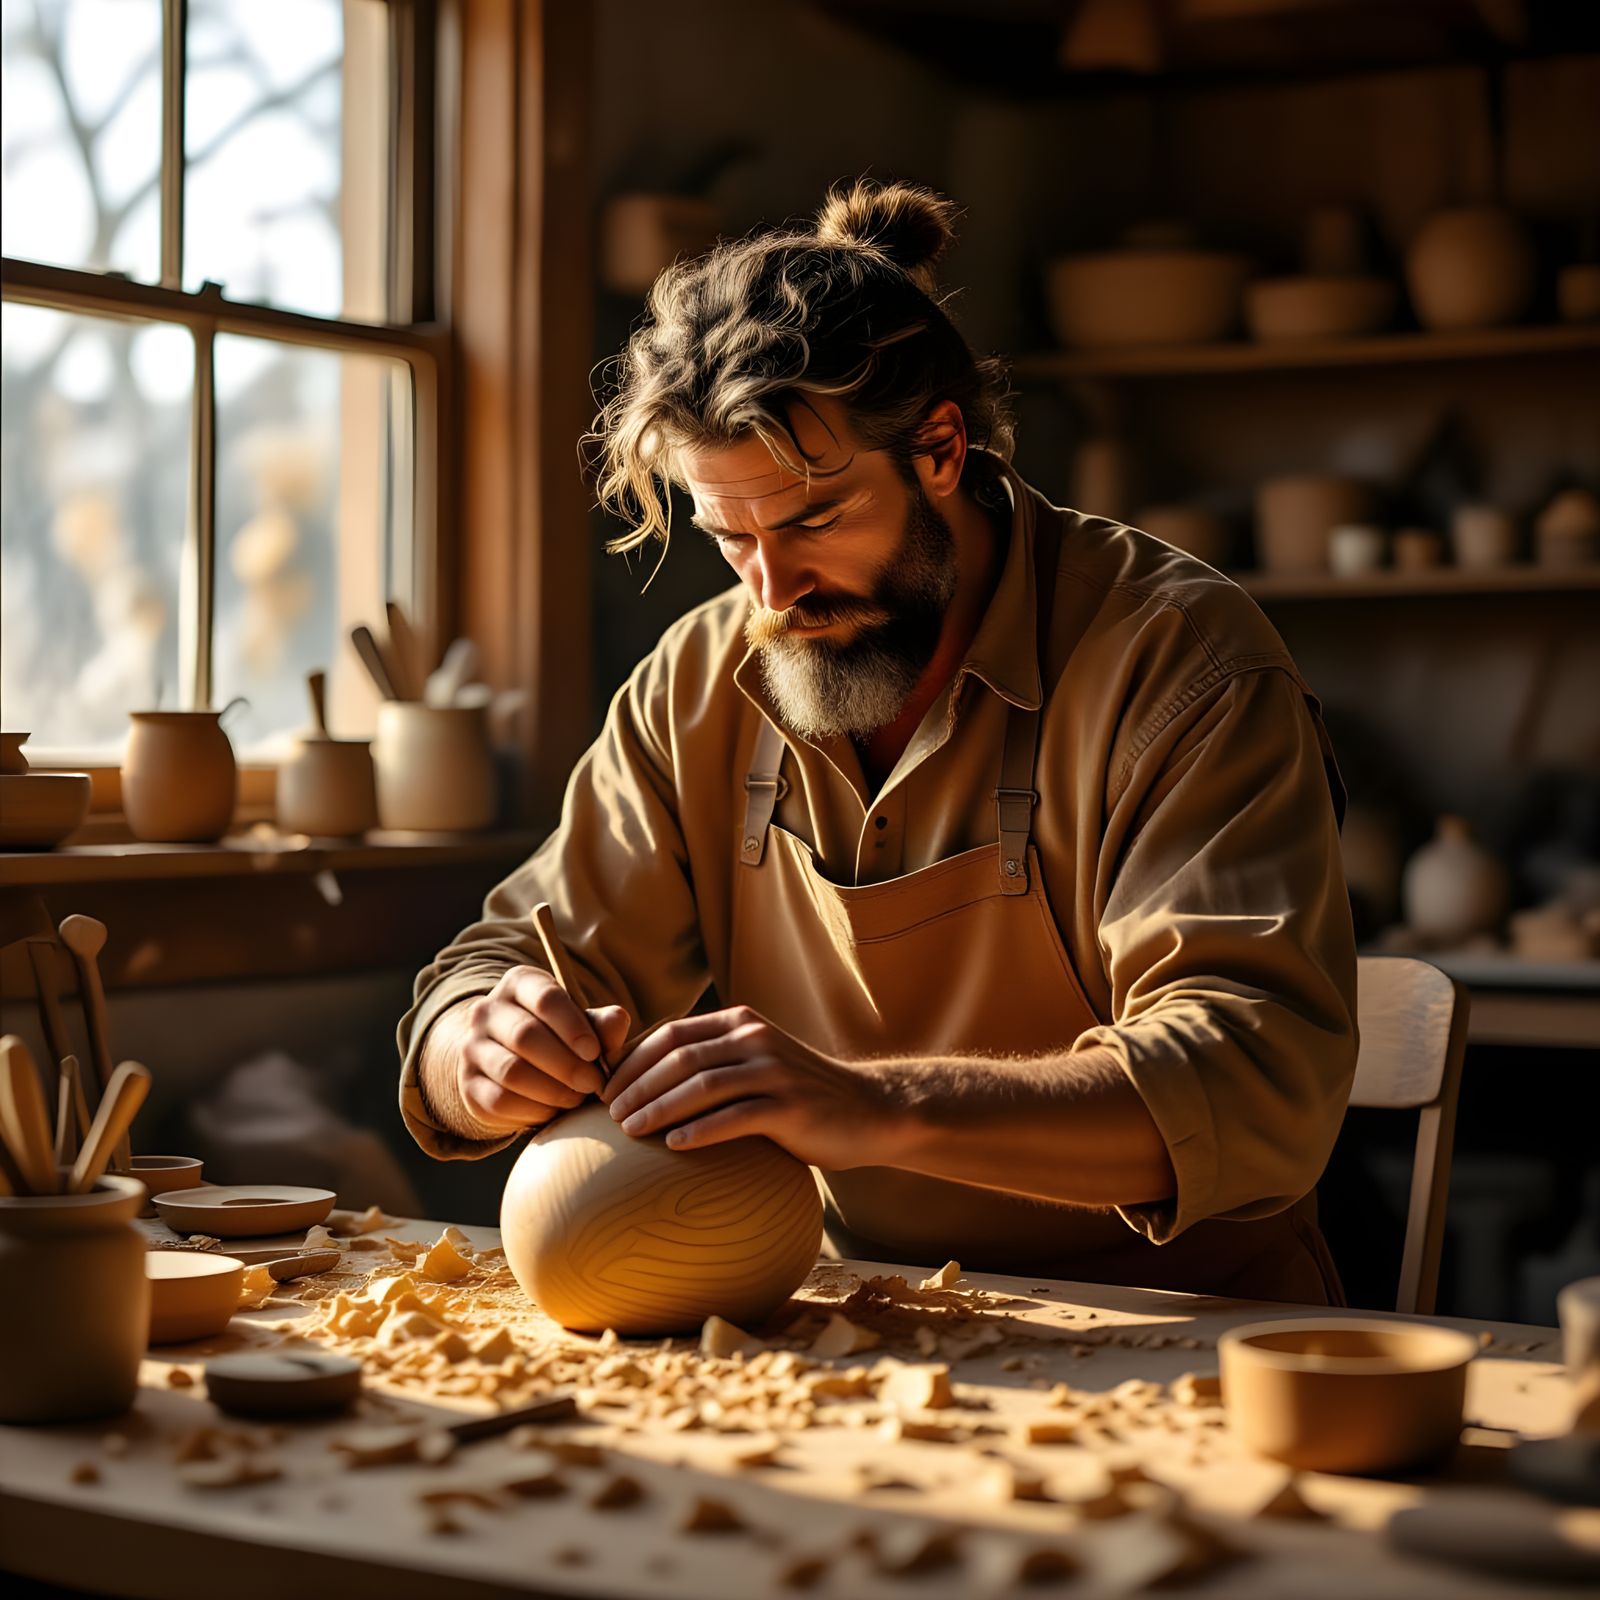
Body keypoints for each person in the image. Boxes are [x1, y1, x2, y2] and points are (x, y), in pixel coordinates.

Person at [398, 179, 1357, 1304]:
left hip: (1190, 1328)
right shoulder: (701, 680)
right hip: (864, 1322)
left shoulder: (1178, 659)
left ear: (939, 448)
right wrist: (480, 1049)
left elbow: (1247, 1078)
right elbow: (489, 967)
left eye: (812, 520)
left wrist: (870, 1106)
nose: (774, 589)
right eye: (729, 536)